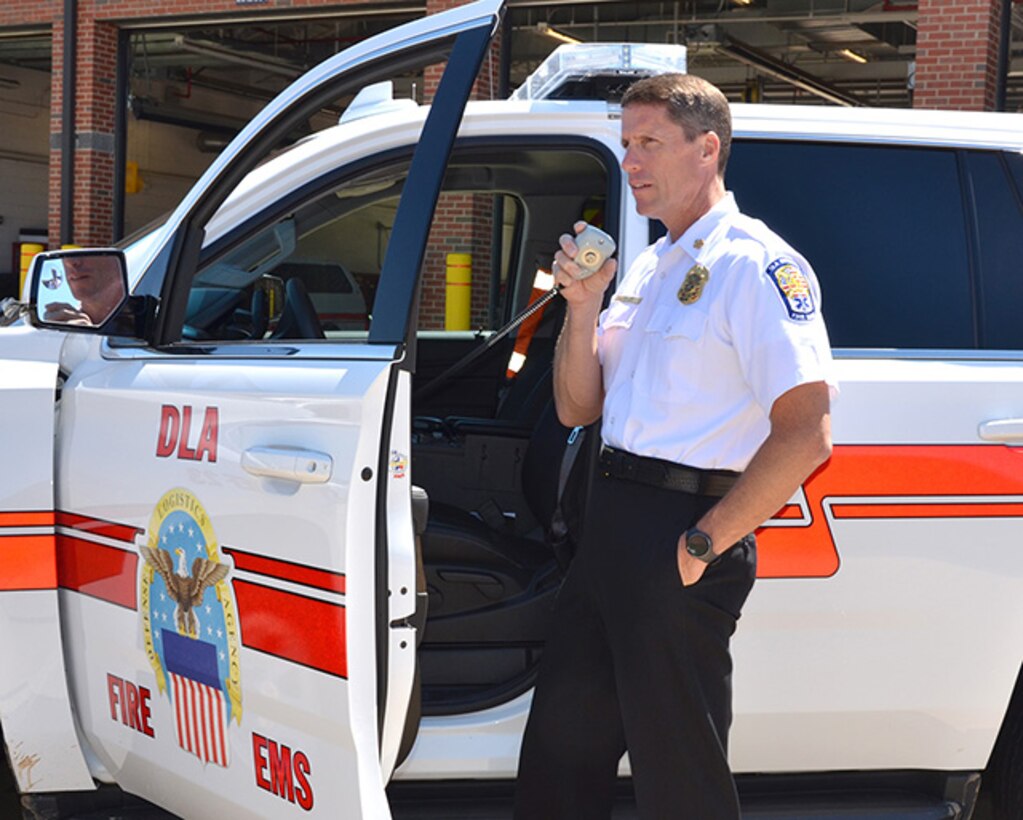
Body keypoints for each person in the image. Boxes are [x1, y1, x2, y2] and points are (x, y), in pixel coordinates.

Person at [514, 74, 836, 819]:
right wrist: (583, 307)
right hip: (610, 523)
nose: (630, 161)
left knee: (677, 771)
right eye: (625, 145)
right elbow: (577, 405)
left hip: (682, 531)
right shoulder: (648, 269)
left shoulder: (752, 266)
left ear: (706, 149)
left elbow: (807, 432)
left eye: (648, 143)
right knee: (561, 749)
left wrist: (703, 543)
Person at [44, 254, 124, 326]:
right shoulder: (62, 325)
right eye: (64, 255)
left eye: (88, 249)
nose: (70, 262)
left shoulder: (135, 324)